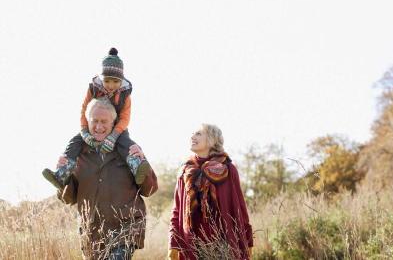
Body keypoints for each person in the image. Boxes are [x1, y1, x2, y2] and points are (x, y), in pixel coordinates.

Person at [58, 97, 158, 259]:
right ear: (87, 122)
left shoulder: (129, 149)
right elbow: (68, 199)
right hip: (91, 233)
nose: (99, 126)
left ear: (114, 123)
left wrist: (143, 161)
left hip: (125, 229)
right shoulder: (77, 154)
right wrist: (64, 178)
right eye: (94, 121)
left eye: (104, 121)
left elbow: (150, 190)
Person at [43, 47, 150, 189]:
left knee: (126, 143)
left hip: (118, 127)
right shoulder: (93, 88)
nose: (111, 85)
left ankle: (136, 167)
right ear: (102, 78)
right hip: (92, 126)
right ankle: (62, 173)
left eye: (115, 82)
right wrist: (84, 131)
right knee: (74, 143)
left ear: (121, 80)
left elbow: (125, 117)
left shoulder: (125, 94)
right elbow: (84, 110)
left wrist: (114, 136)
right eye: (107, 81)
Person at [168, 124, 253, 260]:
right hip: (192, 244)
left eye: (198, 134)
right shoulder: (185, 171)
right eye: (192, 133)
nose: (192, 136)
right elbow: (177, 211)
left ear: (212, 140)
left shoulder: (228, 169)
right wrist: (173, 243)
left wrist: (247, 240)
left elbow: (240, 208)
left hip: (224, 244)